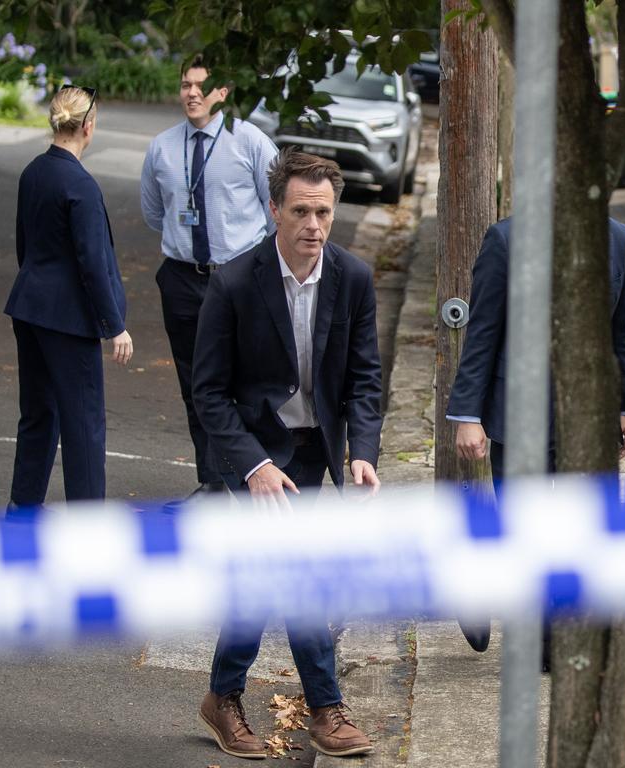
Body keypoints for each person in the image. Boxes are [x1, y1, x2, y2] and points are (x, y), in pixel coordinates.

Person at [192, 149, 382, 759]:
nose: (314, 226)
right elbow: (209, 393)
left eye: (324, 212)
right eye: (300, 211)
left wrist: (362, 451)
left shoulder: (352, 278)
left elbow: (364, 379)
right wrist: (253, 465)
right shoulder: (234, 282)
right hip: (249, 452)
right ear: (274, 210)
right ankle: (324, 709)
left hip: (311, 451)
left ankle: (222, 697)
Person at [445, 216, 625, 657]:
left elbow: (620, 334)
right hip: (518, 411)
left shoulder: (619, 239)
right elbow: (483, 331)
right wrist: (468, 414)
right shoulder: (506, 239)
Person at [140, 54, 279, 497]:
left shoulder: (251, 141)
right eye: (185, 85)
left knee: (244, 382)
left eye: (202, 85)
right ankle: (213, 480)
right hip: (182, 280)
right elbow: (152, 212)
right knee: (195, 384)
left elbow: (275, 211)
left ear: (224, 91)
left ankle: (253, 475)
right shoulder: (162, 147)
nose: (192, 93)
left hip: (239, 280)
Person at [4, 85, 132, 507]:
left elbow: (25, 244)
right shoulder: (81, 186)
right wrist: (115, 327)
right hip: (67, 320)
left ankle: (21, 514)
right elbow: (93, 263)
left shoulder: (32, 172)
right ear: (88, 127)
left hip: (30, 306)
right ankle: (89, 524)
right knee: (84, 425)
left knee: (38, 416)